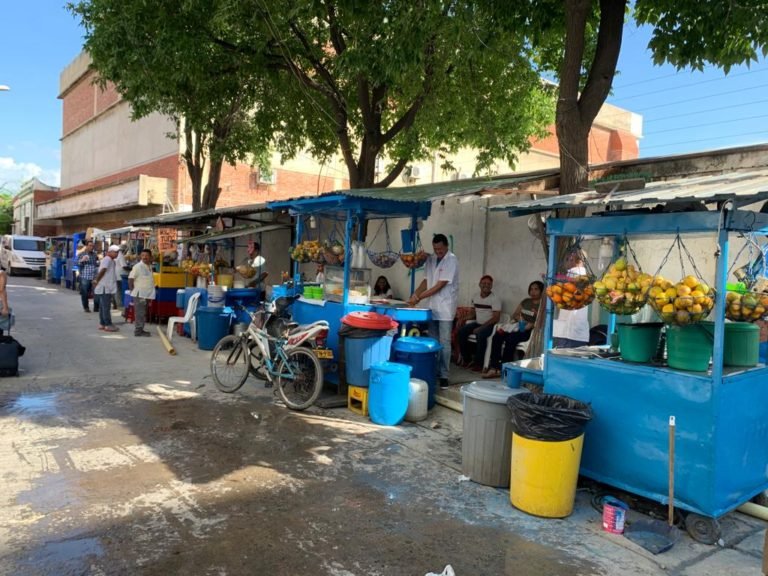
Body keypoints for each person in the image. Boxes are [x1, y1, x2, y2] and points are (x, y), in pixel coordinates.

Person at [408, 234, 459, 389]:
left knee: (444, 342)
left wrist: (419, 297)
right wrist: (415, 294)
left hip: (445, 306)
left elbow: (439, 285)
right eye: (435, 249)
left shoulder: (452, 260)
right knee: (432, 341)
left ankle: (444, 375)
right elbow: (426, 281)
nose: (438, 252)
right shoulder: (431, 260)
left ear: (446, 247)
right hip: (432, 306)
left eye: (441, 249)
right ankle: (433, 370)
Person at [483, 280, 544, 378]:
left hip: (528, 331)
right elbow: (515, 314)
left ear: (541, 291)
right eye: (531, 289)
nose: (533, 291)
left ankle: (505, 368)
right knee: (497, 336)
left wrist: (531, 324)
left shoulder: (543, 305)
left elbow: (542, 321)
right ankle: (494, 367)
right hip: (517, 326)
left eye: (536, 289)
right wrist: (520, 319)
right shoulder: (525, 301)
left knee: (510, 339)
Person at [457, 275, 501, 371]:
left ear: (491, 286)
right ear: (479, 284)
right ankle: (467, 359)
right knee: (461, 332)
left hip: (490, 325)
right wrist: (462, 319)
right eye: (484, 283)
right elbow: (473, 314)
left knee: (481, 335)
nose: (486, 285)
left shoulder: (495, 299)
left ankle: (479, 364)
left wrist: (481, 328)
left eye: (489, 284)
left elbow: (496, 318)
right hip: (478, 323)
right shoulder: (475, 296)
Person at [553, 249, 590, 348]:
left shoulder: (577, 274)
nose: (565, 262)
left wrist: (553, 278)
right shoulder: (580, 275)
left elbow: (571, 281)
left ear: (574, 260)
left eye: (567, 259)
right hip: (575, 332)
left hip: (570, 333)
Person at [128, 248, 156, 337]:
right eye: (143, 255)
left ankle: (140, 329)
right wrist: (132, 290)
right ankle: (138, 331)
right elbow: (130, 278)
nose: (144, 257)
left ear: (150, 257)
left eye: (147, 256)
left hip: (146, 294)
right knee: (140, 313)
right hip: (139, 294)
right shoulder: (137, 266)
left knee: (143, 313)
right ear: (140, 256)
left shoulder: (150, 266)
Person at [93, 244, 120, 332]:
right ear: (110, 252)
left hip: (107, 286)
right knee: (106, 306)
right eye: (115, 252)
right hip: (105, 287)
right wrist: (96, 280)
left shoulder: (111, 260)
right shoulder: (107, 259)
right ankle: (108, 324)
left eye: (117, 252)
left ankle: (102, 323)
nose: (117, 254)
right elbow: (103, 270)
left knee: (102, 306)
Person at [77, 239, 99, 313]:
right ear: (86, 246)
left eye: (93, 246)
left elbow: (97, 264)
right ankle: (86, 307)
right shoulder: (81, 254)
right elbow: (78, 264)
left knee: (96, 292)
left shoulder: (95, 255)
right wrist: (82, 260)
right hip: (85, 277)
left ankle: (96, 307)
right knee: (85, 293)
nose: (91, 247)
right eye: (90, 246)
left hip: (94, 276)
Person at [112, 242, 128, 310]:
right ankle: (120, 304)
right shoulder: (120, 254)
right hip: (121, 275)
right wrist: (132, 268)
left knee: (117, 290)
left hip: (116, 275)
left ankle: (115, 304)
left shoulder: (115, 255)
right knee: (120, 291)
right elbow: (124, 266)